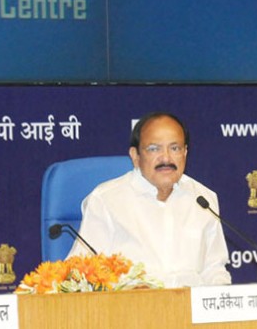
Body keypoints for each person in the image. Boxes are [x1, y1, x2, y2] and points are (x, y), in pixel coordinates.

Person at [67, 112, 231, 287]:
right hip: (132, 310)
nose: (166, 158)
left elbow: (214, 269)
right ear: (135, 156)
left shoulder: (203, 199)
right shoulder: (106, 200)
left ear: (185, 153)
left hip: (190, 310)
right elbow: (79, 274)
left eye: (175, 148)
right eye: (154, 149)